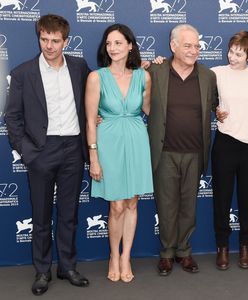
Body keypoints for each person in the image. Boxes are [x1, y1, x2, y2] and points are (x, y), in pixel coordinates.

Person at [5, 14, 90, 295]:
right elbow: (13, 118)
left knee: (69, 215)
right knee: (41, 217)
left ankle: (67, 266)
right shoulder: (22, 73)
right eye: (44, 39)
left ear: (66, 41)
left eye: (55, 40)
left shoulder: (79, 67)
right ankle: (43, 270)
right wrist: (28, 152)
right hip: (41, 151)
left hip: (73, 149)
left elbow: (98, 94)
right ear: (39, 37)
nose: (49, 46)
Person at [146, 24, 217, 276]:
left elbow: (219, 105)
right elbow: (125, 86)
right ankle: (166, 253)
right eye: (187, 45)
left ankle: (184, 252)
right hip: (164, 152)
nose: (193, 50)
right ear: (173, 46)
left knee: (189, 206)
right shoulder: (155, 71)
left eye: (197, 46)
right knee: (166, 206)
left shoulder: (208, 76)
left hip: (195, 152)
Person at [85, 24, 153, 282]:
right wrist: (94, 156)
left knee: (133, 203)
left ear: (130, 46)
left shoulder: (143, 77)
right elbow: (91, 121)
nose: (112, 48)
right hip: (108, 143)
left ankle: (127, 257)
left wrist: (155, 67)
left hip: (136, 140)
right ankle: (114, 255)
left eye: (118, 43)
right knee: (116, 206)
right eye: (109, 43)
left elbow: (148, 110)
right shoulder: (96, 77)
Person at [211, 31, 248, 270]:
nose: (233, 57)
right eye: (231, 51)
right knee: (222, 199)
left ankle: (245, 245)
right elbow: (201, 93)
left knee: (247, 200)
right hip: (225, 143)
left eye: (239, 53)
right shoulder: (217, 73)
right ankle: (222, 247)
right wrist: (215, 109)